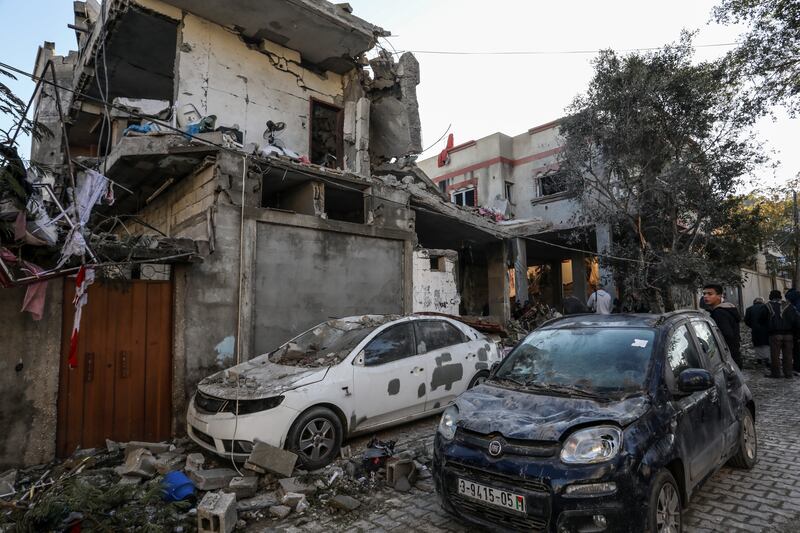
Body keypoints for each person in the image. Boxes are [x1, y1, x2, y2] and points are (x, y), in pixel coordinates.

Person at [760, 289, 799, 378]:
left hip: (775, 334)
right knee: (788, 355)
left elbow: (761, 319)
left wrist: (767, 328)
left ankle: (776, 373)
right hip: (789, 335)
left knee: (775, 355)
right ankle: (788, 373)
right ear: (780, 297)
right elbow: (797, 320)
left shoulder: (768, 306)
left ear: (771, 296)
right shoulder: (789, 306)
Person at [702, 284, 742, 368]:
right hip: (734, 354)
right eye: (704, 294)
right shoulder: (727, 309)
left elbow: (727, 335)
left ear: (719, 296)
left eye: (710, 294)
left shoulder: (719, 313)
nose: (705, 296)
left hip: (727, 358)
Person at [744, 297, 769, 367]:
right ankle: (767, 359)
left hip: (755, 329)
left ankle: (759, 359)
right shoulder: (766, 308)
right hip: (765, 329)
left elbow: (746, 321)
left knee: (757, 344)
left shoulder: (749, 309)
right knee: (766, 343)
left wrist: (752, 325)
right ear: (762, 302)